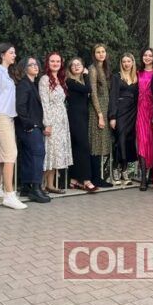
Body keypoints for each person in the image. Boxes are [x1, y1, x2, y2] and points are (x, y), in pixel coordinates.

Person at [0, 43, 27, 210]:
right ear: (2, 55)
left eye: (14, 52)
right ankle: (9, 195)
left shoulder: (5, 73)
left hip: (7, 117)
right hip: (1, 117)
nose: (14, 55)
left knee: (3, 155)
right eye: (11, 52)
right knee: (11, 154)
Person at [14, 57, 50, 203]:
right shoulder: (24, 85)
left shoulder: (32, 84)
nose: (35, 66)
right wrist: (30, 124)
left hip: (32, 126)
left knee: (29, 155)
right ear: (24, 68)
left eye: (36, 64)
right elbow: (20, 106)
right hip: (29, 127)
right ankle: (35, 188)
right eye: (31, 65)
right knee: (37, 154)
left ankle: (26, 187)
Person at [40, 52, 73, 194]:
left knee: (56, 153)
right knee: (49, 151)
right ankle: (40, 185)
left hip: (61, 120)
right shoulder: (45, 79)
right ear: (48, 63)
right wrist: (47, 123)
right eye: (52, 61)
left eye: (58, 61)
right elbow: (44, 102)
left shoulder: (60, 78)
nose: (55, 63)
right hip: (51, 119)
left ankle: (50, 184)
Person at [66, 57, 97, 192]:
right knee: (84, 147)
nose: (76, 66)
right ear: (70, 69)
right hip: (75, 118)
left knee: (77, 148)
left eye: (78, 64)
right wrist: (86, 75)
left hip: (82, 117)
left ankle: (74, 179)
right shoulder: (70, 81)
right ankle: (86, 180)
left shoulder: (79, 82)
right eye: (73, 65)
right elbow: (88, 89)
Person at [109, 53, 139, 185]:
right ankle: (116, 169)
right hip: (120, 112)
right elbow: (113, 96)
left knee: (128, 141)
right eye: (124, 62)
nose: (126, 64)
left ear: (132, 62)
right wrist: (112, 116)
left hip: (133, 112)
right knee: (119, 140)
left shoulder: (137, 76)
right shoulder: (116, 77)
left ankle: (124, 171)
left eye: (128, 61)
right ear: (121, 63)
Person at [87, 44, 113, 188]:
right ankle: (95, 178)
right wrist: (100, 115)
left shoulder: (105, 68)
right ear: (94, 54)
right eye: (98, 52)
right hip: (97, 110)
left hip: (106, 107)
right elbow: (93, 93)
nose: (101, 54)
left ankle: (99, 177)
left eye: (103, 51)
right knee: (96, 144)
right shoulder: (93, 69)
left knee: (102, 143)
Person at [136, 47, 153, 191]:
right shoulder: (138, 73)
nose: (147, 57)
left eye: (150, 55)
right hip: (140, 111)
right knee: (142, 142)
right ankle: (143, 177)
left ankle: (152, 175)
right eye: (145, 55)